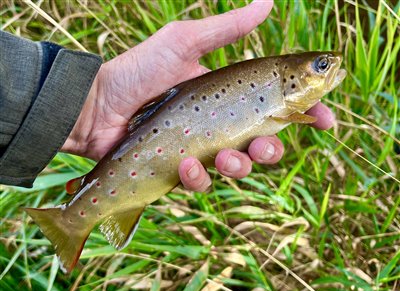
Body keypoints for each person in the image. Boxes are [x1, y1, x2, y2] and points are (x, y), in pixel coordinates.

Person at [0, 1, 334, 191]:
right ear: (289, 79)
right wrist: (90, 107)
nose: (331, 65)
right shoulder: (279, 92)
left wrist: (88, 107)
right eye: (321, 66)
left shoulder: (289, 103)